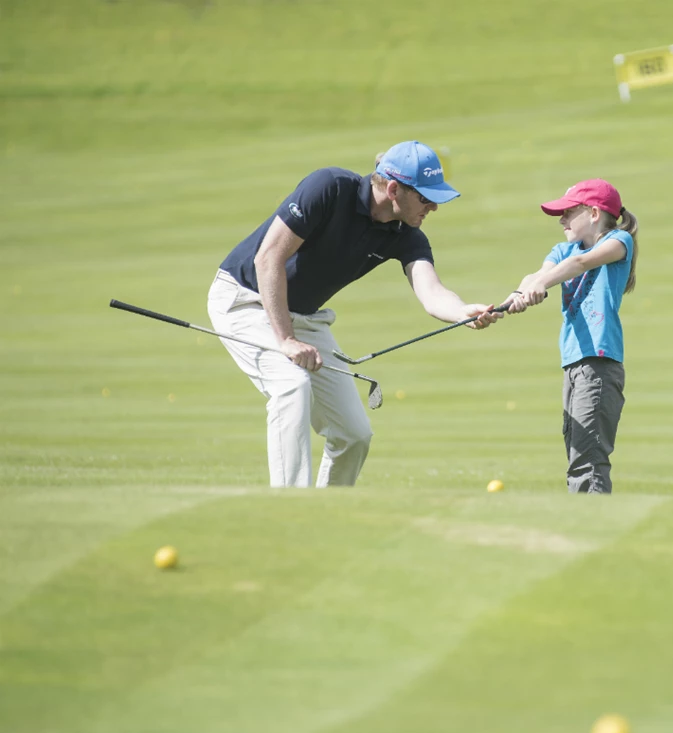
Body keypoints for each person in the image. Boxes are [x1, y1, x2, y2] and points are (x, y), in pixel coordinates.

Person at [207, 140, 502, 487]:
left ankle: (326, 513)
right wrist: (285, 339)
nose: (433, 207)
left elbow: (431, 292)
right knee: (291, 385)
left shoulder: (406, 235)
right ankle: (288, 507)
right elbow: (267, 258)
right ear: (394, 189)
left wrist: (463, 311)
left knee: (354, 434)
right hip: (247, 300)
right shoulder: (328, 188)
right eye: (426, 197)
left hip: (303, 316)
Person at [508, 179, 639, 494]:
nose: (561, 220)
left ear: (594, 213)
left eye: (568, 212)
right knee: (576, 453)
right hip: (573, 364)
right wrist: (517, 294)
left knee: (588, 460)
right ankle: (582, 521)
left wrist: (543, 284)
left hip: (599, 363)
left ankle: (591, 526)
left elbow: (579, 264)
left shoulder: (619, 241)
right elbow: (537, 275)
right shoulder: (562, 249)